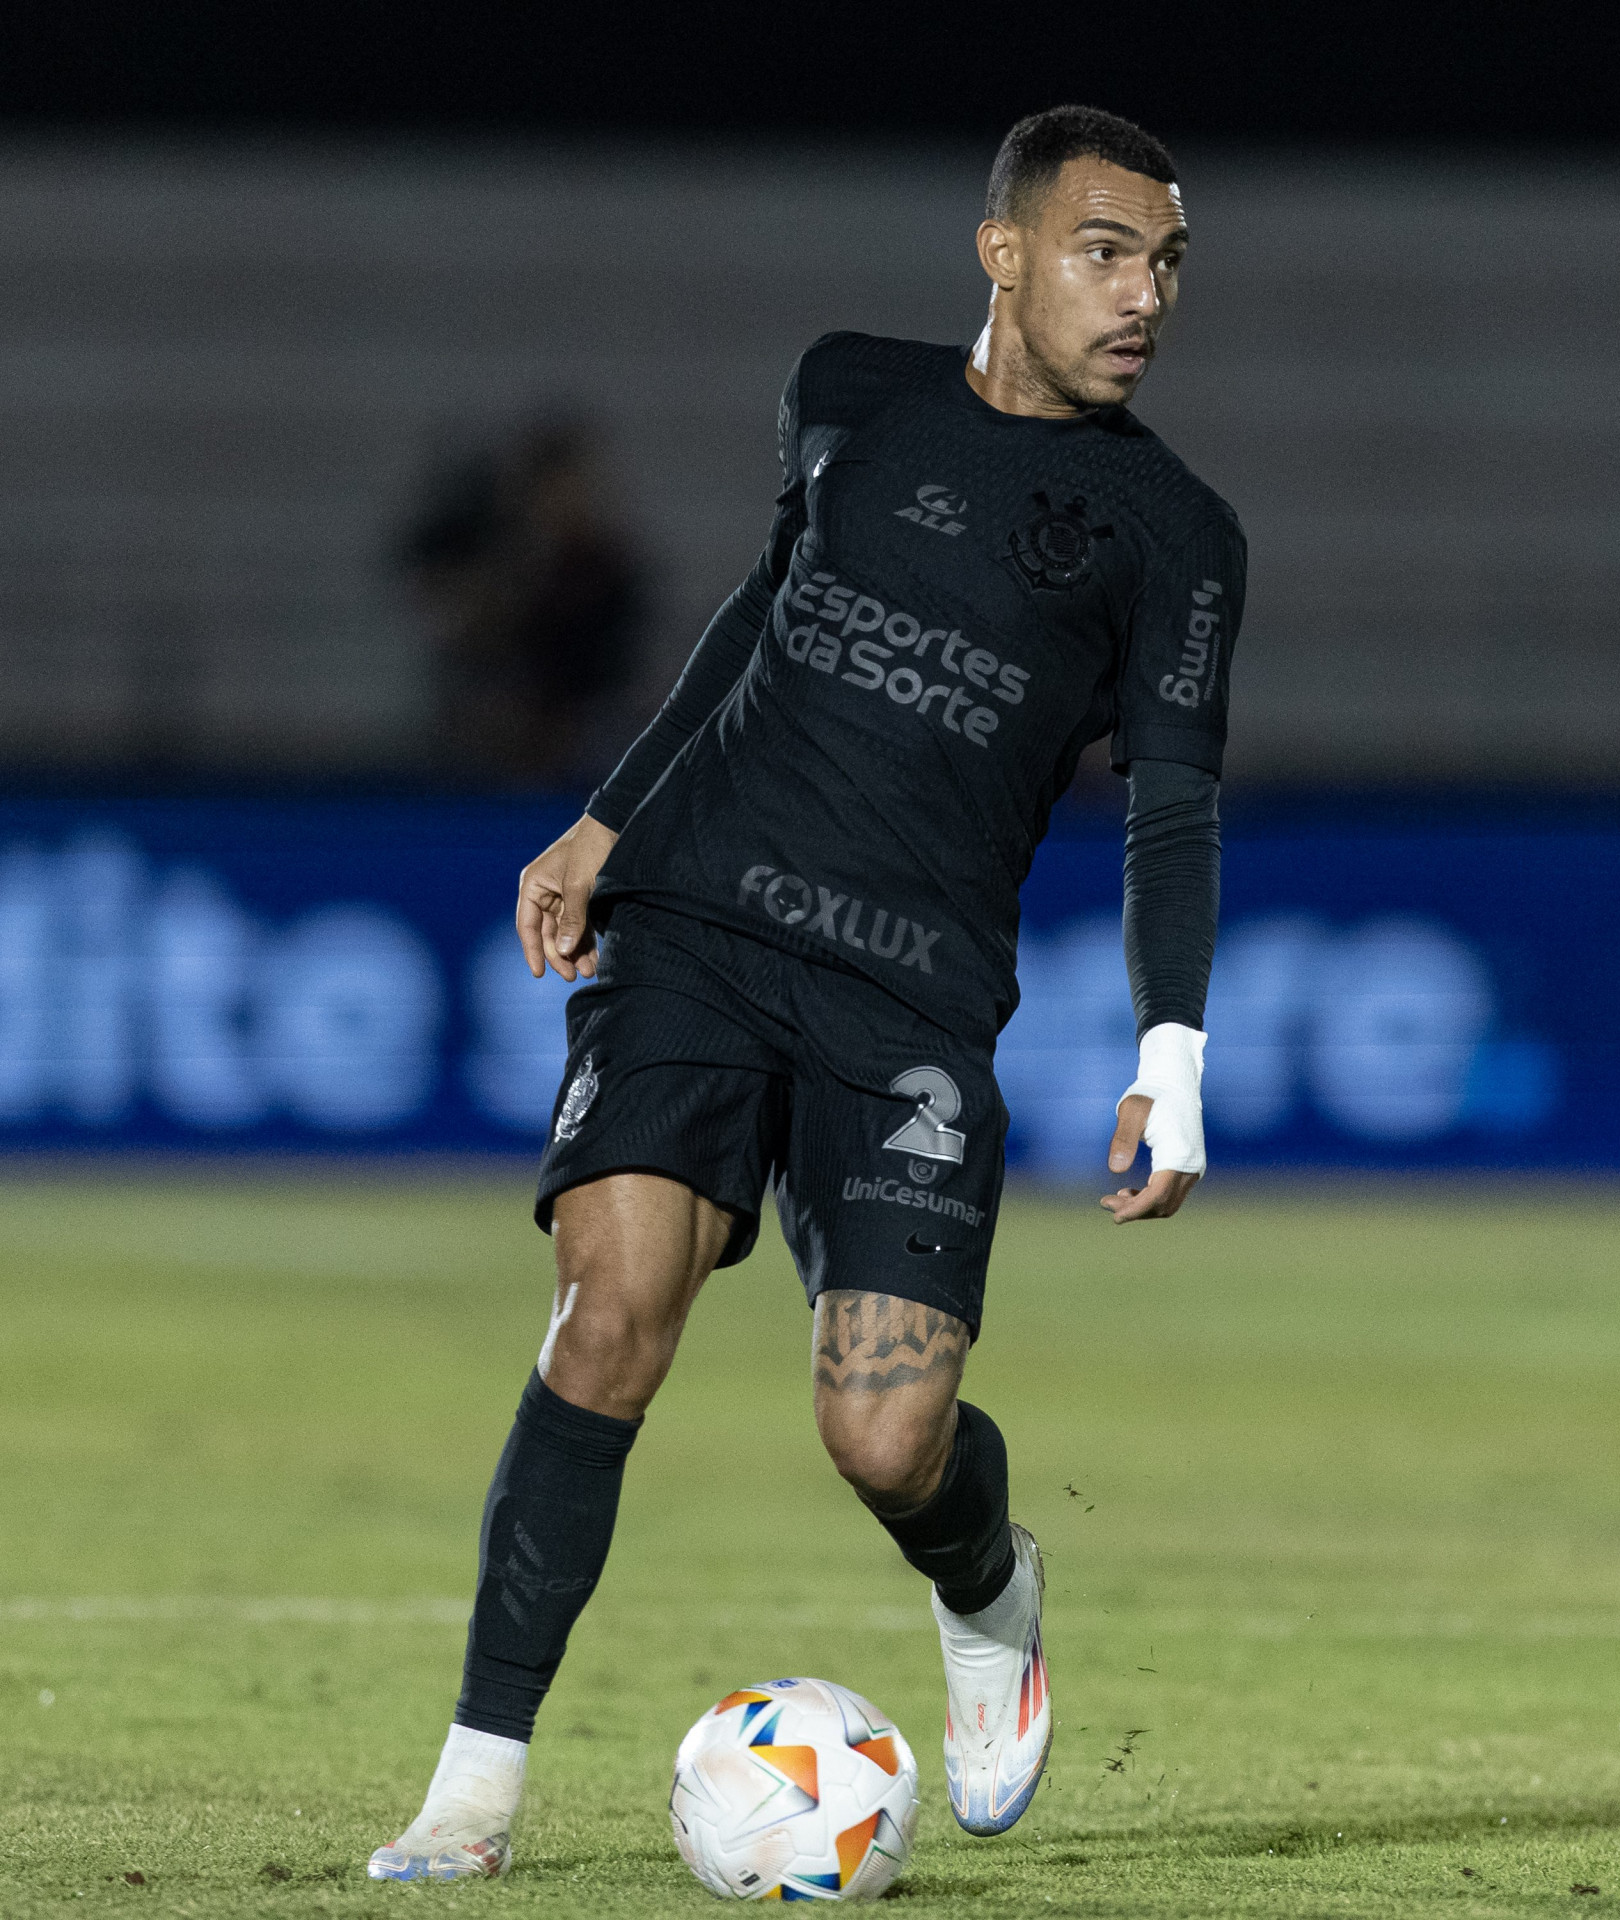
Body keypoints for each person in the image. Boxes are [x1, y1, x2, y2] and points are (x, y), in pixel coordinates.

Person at [369, 103, 1244, 1881]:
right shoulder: (846, 386)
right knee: (607, 1317)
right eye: (1102, 250)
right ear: (1000, 252)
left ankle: (989, 1590)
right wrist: (609, 817)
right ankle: (470, 1792)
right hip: (697, 929)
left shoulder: (1176, 532)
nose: (1140, 290)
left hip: (909, 1005)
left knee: (882, 1428)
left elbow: (1170, 800)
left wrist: (1174, 1056)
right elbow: (765, 611)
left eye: (1162, 261)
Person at [397, 413, 647, 789]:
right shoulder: (490, 553)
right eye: (551, 489)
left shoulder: (602, 569)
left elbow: (613, 662)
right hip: (481, 746)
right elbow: (457, 627)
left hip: (580, 748)